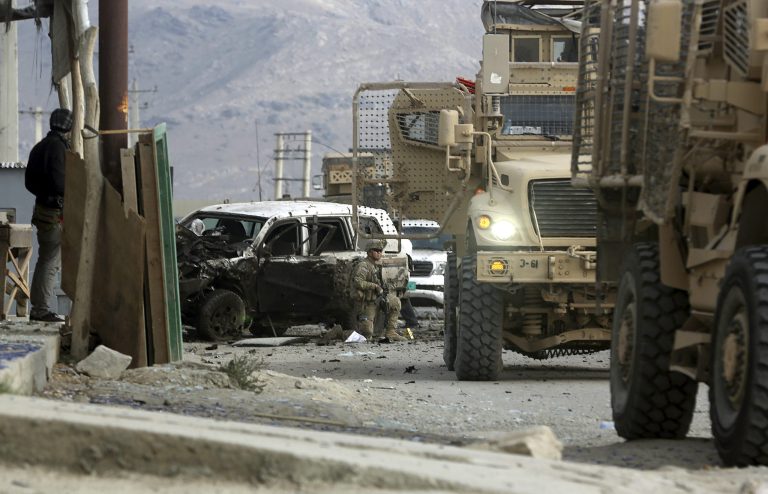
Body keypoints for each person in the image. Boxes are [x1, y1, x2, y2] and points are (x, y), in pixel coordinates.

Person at [24, 108, 73, 323]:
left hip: (42, 212)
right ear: (69, 128)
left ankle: (38, 308)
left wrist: (44, 195)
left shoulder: (39, 147)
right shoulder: (59, 149)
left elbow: (29, 183)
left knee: (45, 259)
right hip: (55, 215)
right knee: (50, 262)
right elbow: (60, 183)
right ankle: (41, 309)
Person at [351, 239, 407, 342]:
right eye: (376, 250)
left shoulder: (376, 266)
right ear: (369, 252)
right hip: (366, 303)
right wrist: (374, 286)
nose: (379, 253)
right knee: (366, 335)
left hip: (377, 298)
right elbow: (357, 282)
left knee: (395, 302)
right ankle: (340, 332)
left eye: (380, 251)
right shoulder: (363, 266)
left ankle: (391, 331)